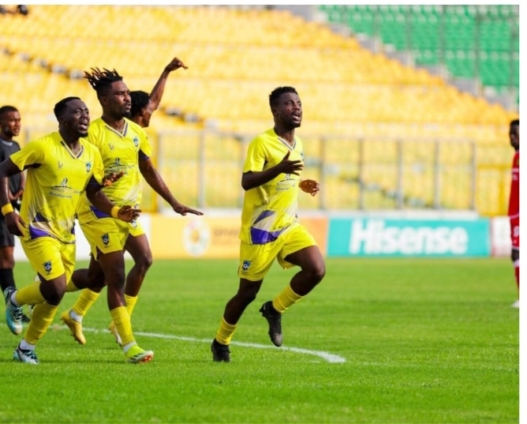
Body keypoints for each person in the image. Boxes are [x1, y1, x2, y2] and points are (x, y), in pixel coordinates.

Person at [60, 67, 202, 350]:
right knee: (116, 275)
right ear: (104, 100)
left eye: (127, 93)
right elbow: (78, 172)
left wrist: (173, 202)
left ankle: (55, 293)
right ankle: (127, 342)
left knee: (128, 265)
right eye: (120, 94)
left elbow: (148, 169)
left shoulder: (135, 132)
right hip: (98, 211)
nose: (127, 98)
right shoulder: (92, 133)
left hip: (128, 211)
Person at [1, 96, 137, 364]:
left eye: (86, 111)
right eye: (77, 112)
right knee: (56, 286)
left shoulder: (91, 153)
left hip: (67, 233)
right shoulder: (42, 147)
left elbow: (92, 193)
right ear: (62, 119)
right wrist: (7, 212)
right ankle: (14, 299)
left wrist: (115, 211)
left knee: (54, 294)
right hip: (37, 228)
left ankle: (25, 349)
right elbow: (1, 171)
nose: (85, 116)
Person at [210, 86, 325, 362]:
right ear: (275, 110)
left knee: (316, 269)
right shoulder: (261, 143)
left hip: (288, 224)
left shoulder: (298, 144)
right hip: (260, 230)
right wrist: (279, 169)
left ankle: (274, 310)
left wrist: (300, 183)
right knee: (247, 293)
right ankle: (221, 341)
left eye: (298, 103)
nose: (296, 108)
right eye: (289, 104)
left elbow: (284, 178)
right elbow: (247, 180)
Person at [0, 105, 30, 323]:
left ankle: (13, 304)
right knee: (6, 259)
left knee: (6, 260)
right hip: (3, 210)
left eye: (19, 119)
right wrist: (7, 195)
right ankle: (13, 306)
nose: (17, 124)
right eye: (12, 120)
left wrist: (22, 187)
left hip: (14, 207)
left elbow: (20, 170)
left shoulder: (17, 145)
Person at [508, 119, 519, 308]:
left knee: (517, 253)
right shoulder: (517, 156)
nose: (512, 137)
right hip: (515, 214)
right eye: (510, 134)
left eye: (516, 134)